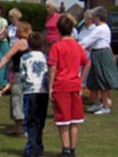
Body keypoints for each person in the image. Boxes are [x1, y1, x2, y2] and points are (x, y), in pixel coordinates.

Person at [48, 14, 90, 157]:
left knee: (63, 120)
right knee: (75, 120)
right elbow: (87, 63)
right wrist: (81, 80)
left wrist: (50, 86)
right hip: (74, 85)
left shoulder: (56, 46)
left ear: (58, 30)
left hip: (61, 85)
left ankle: (66, 149)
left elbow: (53, 67)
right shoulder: (77, 46)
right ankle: (72, 149)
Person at [0, 22, 32, 137]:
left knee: (17, 99)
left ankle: (18, 128)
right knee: (24, 99)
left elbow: (7, 57)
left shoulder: (19, 43)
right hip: (28, 75)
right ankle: (21, 126)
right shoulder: (31, 43)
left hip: (18, 74)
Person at [80, 7, 118, 115]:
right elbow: (93, 42)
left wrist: (75, 47)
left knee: (101, 79)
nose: (92, 18)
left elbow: (88, 41)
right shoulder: (103, 27)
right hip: (97, 53)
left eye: (94, 16)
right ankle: (97, 104)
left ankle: (105, 106)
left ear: (98, 17)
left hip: (100, 54)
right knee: (93, 80)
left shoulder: (100, 29)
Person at [20, 32, 49, 157]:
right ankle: (38, 145)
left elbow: (22, 76)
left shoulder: (25, 57)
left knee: (30, 120)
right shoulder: (45, 57)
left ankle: (31, 148)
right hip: (43, 91)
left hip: (30, 91)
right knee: (40, 121)